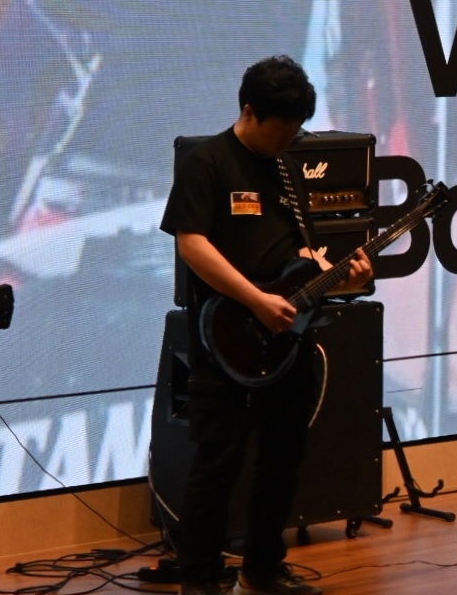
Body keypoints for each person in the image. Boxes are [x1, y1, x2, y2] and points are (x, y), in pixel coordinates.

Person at [160, 56, 373, 595]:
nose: (288, 139)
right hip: (225, 336)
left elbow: (298, 254)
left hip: (285, 340)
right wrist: (254, 300)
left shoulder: (286, 168)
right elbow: (192, 244)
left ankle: (262, 567)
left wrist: (340, 275)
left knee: (284, 458)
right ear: (249, 111)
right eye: (281, 129)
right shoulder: (208, 162)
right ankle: (199, 576)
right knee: (219, 461)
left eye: (296, 129)